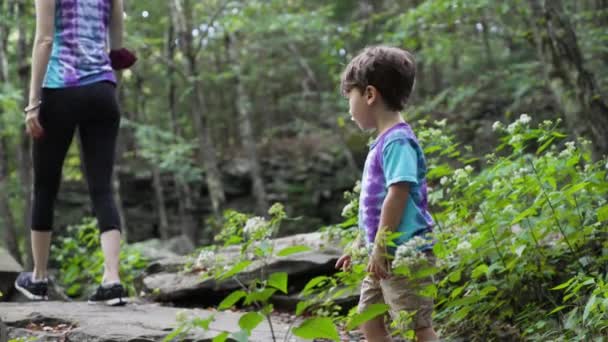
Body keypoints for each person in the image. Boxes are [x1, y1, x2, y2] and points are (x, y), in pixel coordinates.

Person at [14, 0, 134, 306]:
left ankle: (39, 277)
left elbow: (44, 40)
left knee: (45, 185)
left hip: (59, 88)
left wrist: (33, 102)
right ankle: (112, 279)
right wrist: (108, 79)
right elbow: (117, 48)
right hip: (102, 91)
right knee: (102, 187)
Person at [335, 46, 439, 341]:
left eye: (349, 98)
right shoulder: (383, 143)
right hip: (381, 256)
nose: (348, 109)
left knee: (416, 325)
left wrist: (381, 247)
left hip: (404, 254)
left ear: (369, 94)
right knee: (368, 318)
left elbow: (398, 195)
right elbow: (373, 207)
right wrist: (359, 245)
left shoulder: (398, 142)